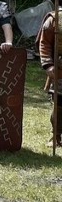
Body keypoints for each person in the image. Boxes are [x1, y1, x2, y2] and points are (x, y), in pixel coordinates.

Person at [35, 8, 62, 147]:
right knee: (59, 105)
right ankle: (56, 136)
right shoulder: (55, 18)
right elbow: (44, 42)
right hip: (60, 70)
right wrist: (48, 64)